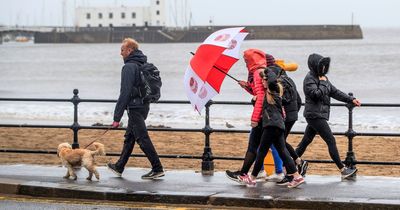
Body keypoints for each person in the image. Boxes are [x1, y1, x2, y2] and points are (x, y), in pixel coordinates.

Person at [295, 53, 361, 180]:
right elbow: (316, 94)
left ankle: (291, 166)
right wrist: (324, 84)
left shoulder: (322, 77)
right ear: (315, 65)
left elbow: (334, 92)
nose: (324, 68)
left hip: (317, 115)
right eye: (321, 66)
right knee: (331, 140)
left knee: (305, 141)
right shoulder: (309, 79)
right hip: (315, 116)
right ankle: (343, 170)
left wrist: (351, 99)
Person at [107, 38, 164, 179]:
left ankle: (157, 168)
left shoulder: (129, 67)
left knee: (142, 138)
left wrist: (116, 118)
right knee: (130, 137)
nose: (120, 53)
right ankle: (119, 166)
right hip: (144, 106)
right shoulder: (142, 63)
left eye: (122, 50)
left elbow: (125, 92)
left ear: (129, 50)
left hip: (134, 107)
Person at [239, 68, 305, 188]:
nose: (262, 81)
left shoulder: (271, 89)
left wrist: (267, 73)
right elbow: (263, 103)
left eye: (264, 79)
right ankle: (297, 177)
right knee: (283, 152)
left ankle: (252, 178)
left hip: (271, 126)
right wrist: (249, 89)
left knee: (261, 152)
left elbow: (268, 88)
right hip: (279, 125)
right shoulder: (274, 91)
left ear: (268, 80)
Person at [264, 54, 308, 185]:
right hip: (292, 115)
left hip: (284, 116)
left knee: (280, 143)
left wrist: (282, 115)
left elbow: (278, 100)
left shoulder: (277, 81)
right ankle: (298, 162)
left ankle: (291, 173)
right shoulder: (288, 78)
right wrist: (294, 113)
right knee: (280, 142)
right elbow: (299, 100)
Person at [225, 49, 267, 183]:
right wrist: (247, 86)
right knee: (278, 146)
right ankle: (295, 171)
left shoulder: (256, 72)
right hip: (270, 115)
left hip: (262, 116)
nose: (245, 63)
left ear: (251, 60)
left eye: (246, 60)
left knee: (253, 146)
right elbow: (259, 91)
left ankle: (243, 174)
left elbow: (260, 97)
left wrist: (255, 119)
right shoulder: (264, 70)